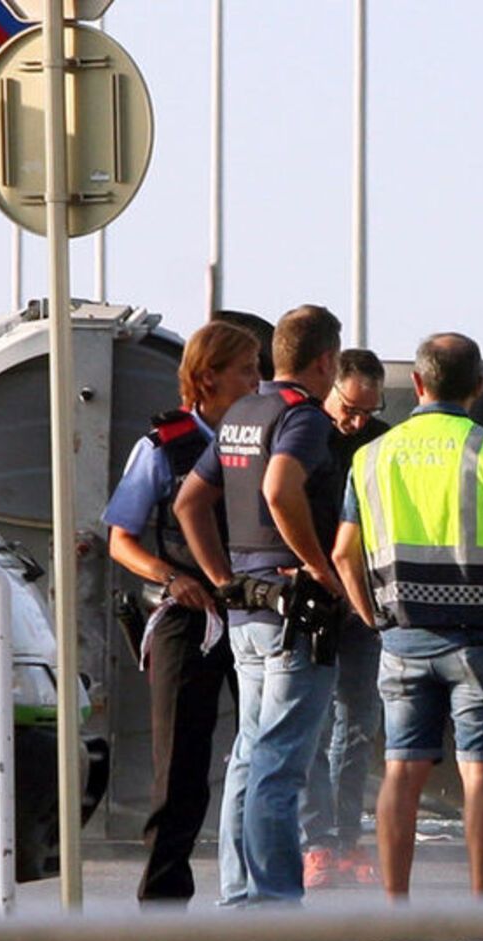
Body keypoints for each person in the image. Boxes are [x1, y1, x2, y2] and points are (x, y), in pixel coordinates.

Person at [333, 333, 483, 941]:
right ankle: (481, 924)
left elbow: (343, 553)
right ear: (478, 387)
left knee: (401, 772)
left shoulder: (372, 455)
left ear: (418, 384)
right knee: (482, 774)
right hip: (482, 641)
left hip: (402, 639)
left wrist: (372, 616)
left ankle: (395, 922)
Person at [175, 303, 345, 905]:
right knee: (280, 761)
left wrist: (224, 578)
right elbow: (279, 488)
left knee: (249, 755)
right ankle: (274, 899)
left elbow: (189, 503)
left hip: (246, 609)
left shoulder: (243, 412)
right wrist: (319, 567)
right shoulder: (302, 417)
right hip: (294, 615)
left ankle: (240, 892)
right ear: (326, 361)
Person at [101, 320, 263, 904]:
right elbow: (120, 540)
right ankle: (164, 898)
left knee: (264, 752)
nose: (257, 381)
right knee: (181, 765)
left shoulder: (263, 438)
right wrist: (172, 577)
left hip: (254, 612)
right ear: (208, 377)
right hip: (186, 615)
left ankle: (258, 889)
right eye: (246, 370)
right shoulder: (161, 446)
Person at [301, 349, 389, 889]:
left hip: (363, 601)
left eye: (367, 412)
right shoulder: (305, 432)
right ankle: (317, 842)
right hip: (313, 595)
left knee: (359, 723)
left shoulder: (381, 442)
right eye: (349, 409)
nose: (355, 422)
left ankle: (348, 835)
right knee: (312, 724)